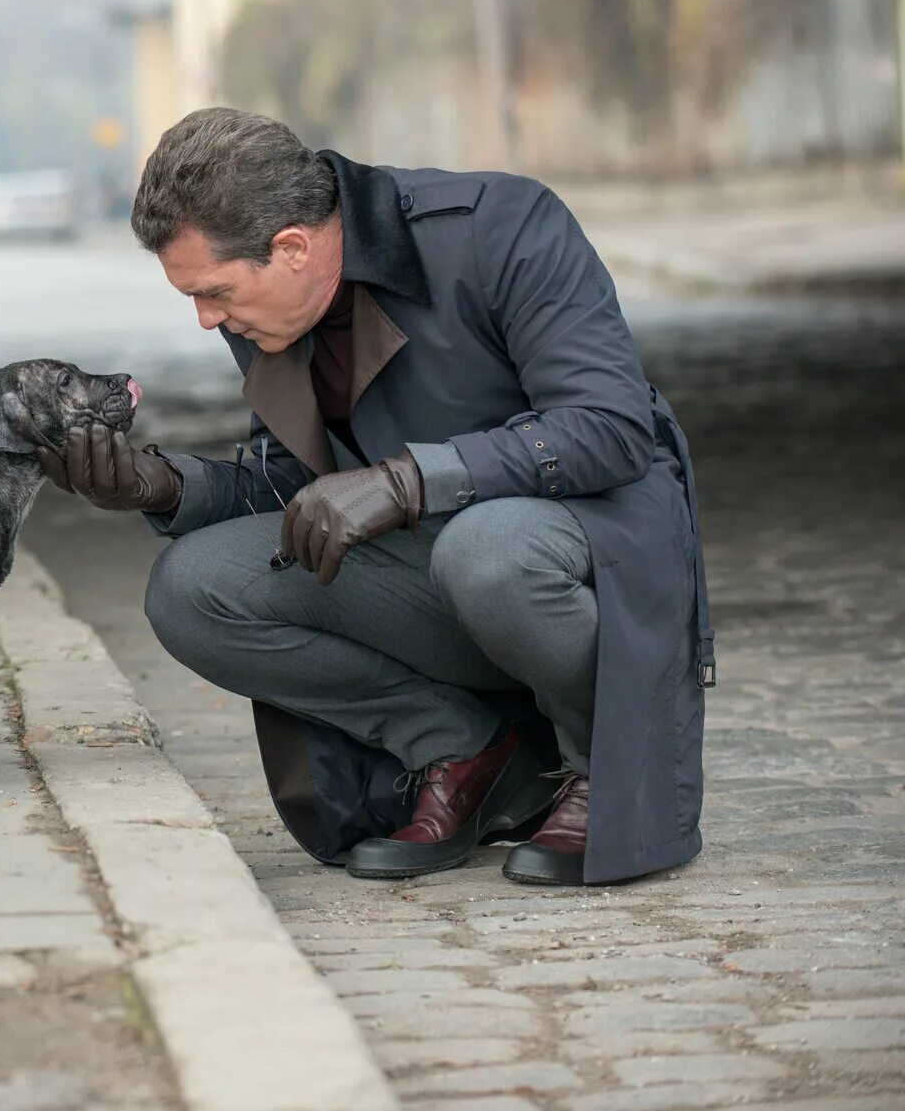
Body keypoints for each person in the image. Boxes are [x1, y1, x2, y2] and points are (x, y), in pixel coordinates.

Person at [40, 108, 712, 886]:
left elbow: (610, 428)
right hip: (443, 565)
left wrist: (409, 480)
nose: (205, 319)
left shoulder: (502, 225)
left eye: (215, 292)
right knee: (193, 587)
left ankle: (604, 769)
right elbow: (304, 491)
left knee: (486, 550)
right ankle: (467, 751)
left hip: (587, 548)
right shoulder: (273, 307)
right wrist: (162, 485)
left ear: (292, 247)